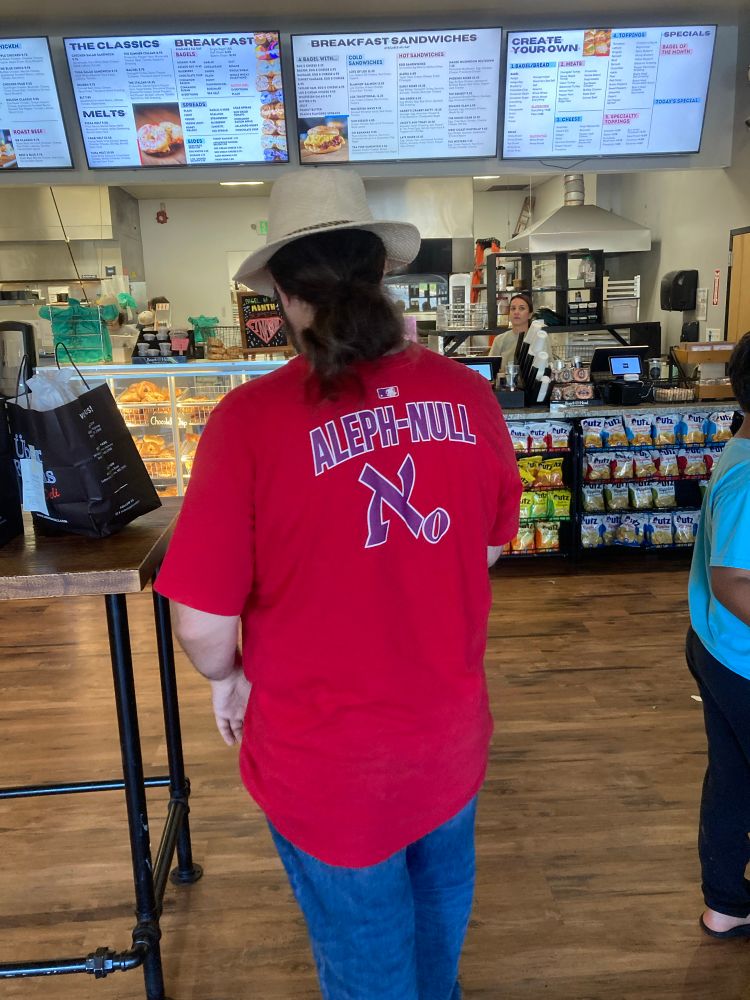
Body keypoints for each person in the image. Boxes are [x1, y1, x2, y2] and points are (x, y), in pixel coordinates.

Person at [154, 168, 522, 999]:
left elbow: (202, 621)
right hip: (448, 742)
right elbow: (488, 548)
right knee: (436, 956)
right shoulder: (468, 395)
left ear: (284, 296)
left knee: (369, 976)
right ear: (383, 272)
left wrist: (227, 677)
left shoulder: (248, 422)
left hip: (325, 767)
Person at [686, 331, 750, 939]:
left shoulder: (740, 447)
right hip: (741, 658)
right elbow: (732, 578)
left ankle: (726, 903)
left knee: (733, 777)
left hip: (719, 648)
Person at [488, 292, 534, 369]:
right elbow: (491, 368)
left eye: (521, 308)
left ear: (530, 314)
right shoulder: (499, 340)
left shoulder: (539, 338)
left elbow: (549, 368)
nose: (516, 312)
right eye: (513, 308)